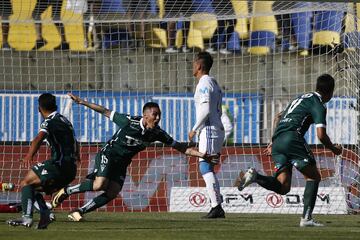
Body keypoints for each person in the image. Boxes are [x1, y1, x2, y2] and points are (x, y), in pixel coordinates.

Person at [51, 93, 216, 221]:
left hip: (122, 163)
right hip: (109, 154)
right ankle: (66, 190)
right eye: (155, 115)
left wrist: (202, 155)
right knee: (99, 184)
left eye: (159, 115)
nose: (157, 118)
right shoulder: (129, 122)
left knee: (113, 191)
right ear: (145, 116)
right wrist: (82, 102)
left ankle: (79, 211)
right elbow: (105, 111)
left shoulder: (157, 133)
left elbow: (180, 147)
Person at [238, 74, 342, 227]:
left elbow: (278, 117)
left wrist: (273, 142)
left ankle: (255, 177)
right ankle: (306, 219)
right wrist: (334, 149)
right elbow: (321, 135)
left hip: (278, 140)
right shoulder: (318, 104)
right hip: (292, 139)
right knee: (313, 177)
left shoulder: (300, 98)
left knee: (283, 187)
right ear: (331, 91)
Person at [7, 93, 79, 229]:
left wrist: (29, 155)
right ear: (55, 105)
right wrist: (77, 155)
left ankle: (27, 218)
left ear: (39, 108)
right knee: (32, 189)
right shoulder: (65, 120)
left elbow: (39, 137)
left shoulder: (48, 122)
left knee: (25, 183)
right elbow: (75, 140)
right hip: (71, 170)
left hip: (58, 166)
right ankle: (45, 214)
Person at [188, 52, 225, 218]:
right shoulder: (213, 82)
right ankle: (216, 204)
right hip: (215, 129)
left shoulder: (204, 82)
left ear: (199, 66)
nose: (192, 66)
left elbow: (205, 109)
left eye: (193, 63)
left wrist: (194, 128)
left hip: (209, 130)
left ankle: (216, 206)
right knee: (207, 166)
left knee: (204, 166)